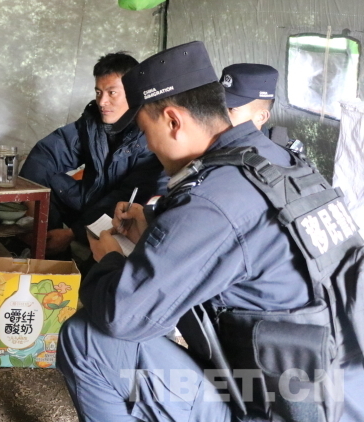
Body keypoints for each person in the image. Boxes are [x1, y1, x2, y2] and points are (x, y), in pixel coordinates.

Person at [57, 41, 364, 422]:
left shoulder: (214, 198)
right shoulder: (280, 163)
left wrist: (110, 260)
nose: (149, 145)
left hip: (276, 406)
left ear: (173, 121)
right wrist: (152, 228)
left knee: (88, 339)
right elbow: (237, 246)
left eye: (146, 131)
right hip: (338, 393)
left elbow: (124, 316)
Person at [19, 52, 164, 256]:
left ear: (133, 92)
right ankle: (47, 249)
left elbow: (128, 197)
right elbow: (47, 153)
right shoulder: (92, 123)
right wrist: (31, 202)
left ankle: (69, 252)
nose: (102, 101)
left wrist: (73, 232)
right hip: (89, 199)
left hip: (119, 215)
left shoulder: (148, 134)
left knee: (120, 210)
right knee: (45, 179)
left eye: (112, 93)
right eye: (98, 92)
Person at [220, 63, 299, 149]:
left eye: (232, 109)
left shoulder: (272, 155)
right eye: (216, 106)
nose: (217, 113)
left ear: (261, 117)